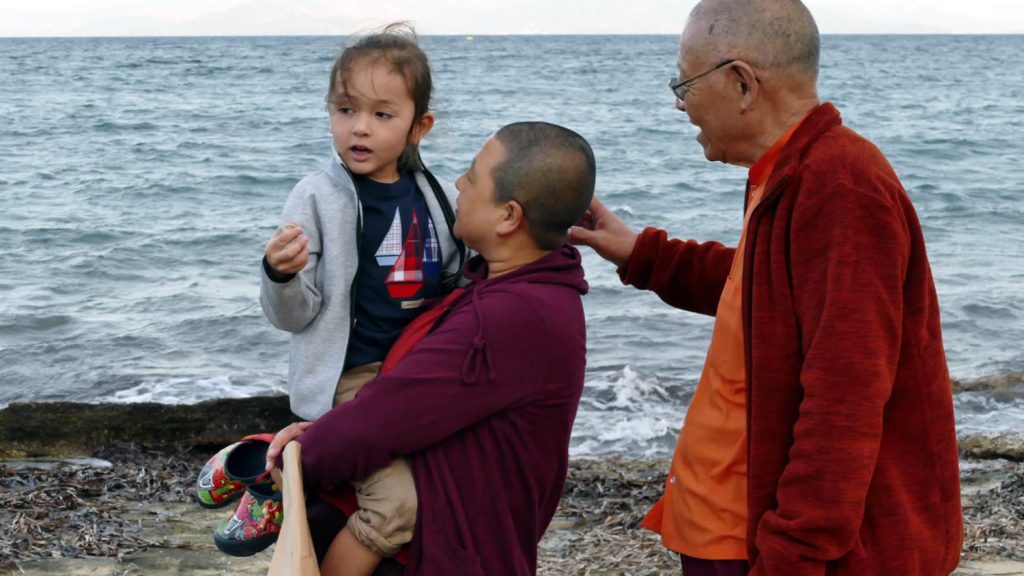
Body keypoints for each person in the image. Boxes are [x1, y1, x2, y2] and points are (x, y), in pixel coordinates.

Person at [568, 1, 963, 574]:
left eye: (685, 84)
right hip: (728, 526)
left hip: (767, 545)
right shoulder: (788, 170)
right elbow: (761, 292)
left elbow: (844, 401)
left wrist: (793, 555)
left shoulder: (842, 185)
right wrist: (641, 254)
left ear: (742, 83)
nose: (680, 104)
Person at [265, 121, 597, 576]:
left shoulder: (507, 318)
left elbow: (377, 423)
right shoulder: (522, 289)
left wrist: (295, 460)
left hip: (443, 555)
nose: (458, 182)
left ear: (509, 217)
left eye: (473, 176)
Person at [257, 24, 466, 574]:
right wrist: (281, 275)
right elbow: (293, 316)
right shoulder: (316, 196)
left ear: (419, 126)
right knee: (396, 510)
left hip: (412, 378)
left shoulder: (439, 198)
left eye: (381, 114)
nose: (359, 128)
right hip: (347, 381)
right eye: (345, 109)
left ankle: (281, 476)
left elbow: (453, 286)